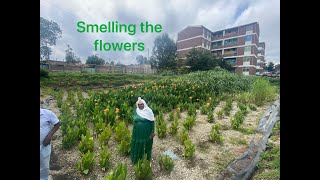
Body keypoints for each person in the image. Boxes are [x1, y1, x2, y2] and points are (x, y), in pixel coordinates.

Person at [130, 97, 155, 164]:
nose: (140, 105)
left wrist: (152, 132)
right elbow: (134, 119)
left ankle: (146, 159)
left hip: (146, 131)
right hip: (137, 132)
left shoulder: (148, 111)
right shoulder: (136, 111)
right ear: (137, 105)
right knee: (138, 144)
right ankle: (137, 159)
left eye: (141, 104)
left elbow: (152, 122)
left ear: (144, 104)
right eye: (139, 104)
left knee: (146, 144)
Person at [40, 107, 61, 180]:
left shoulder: (47, 113)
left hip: (44, 145)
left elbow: (57, 124)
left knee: (44, 165)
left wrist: (49, 135)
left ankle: (43, 178)